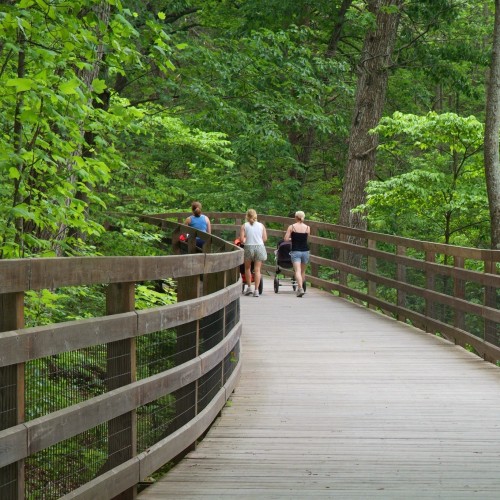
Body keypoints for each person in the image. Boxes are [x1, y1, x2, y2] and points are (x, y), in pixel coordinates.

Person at [239, 209, 267, 297]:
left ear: (247, 216)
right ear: (256, 216)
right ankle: (256, 290)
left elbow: (241, 240)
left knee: (247, 268)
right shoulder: (261, 225)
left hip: (249, 247)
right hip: (259, 247)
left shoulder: (244, 226)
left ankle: (249, 288)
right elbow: (265, 238)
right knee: (257, 270)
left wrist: (246, 240)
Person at [284, 210, 310, 297]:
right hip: (305, 251)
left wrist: (292, 239)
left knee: (297, 271)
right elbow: (306, 239)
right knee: (303, 271)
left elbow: (286, 239)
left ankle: (300, 288)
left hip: (296, 251)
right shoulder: (307, 228)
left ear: (295, 217)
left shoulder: (291, 227)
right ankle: (301, 287)